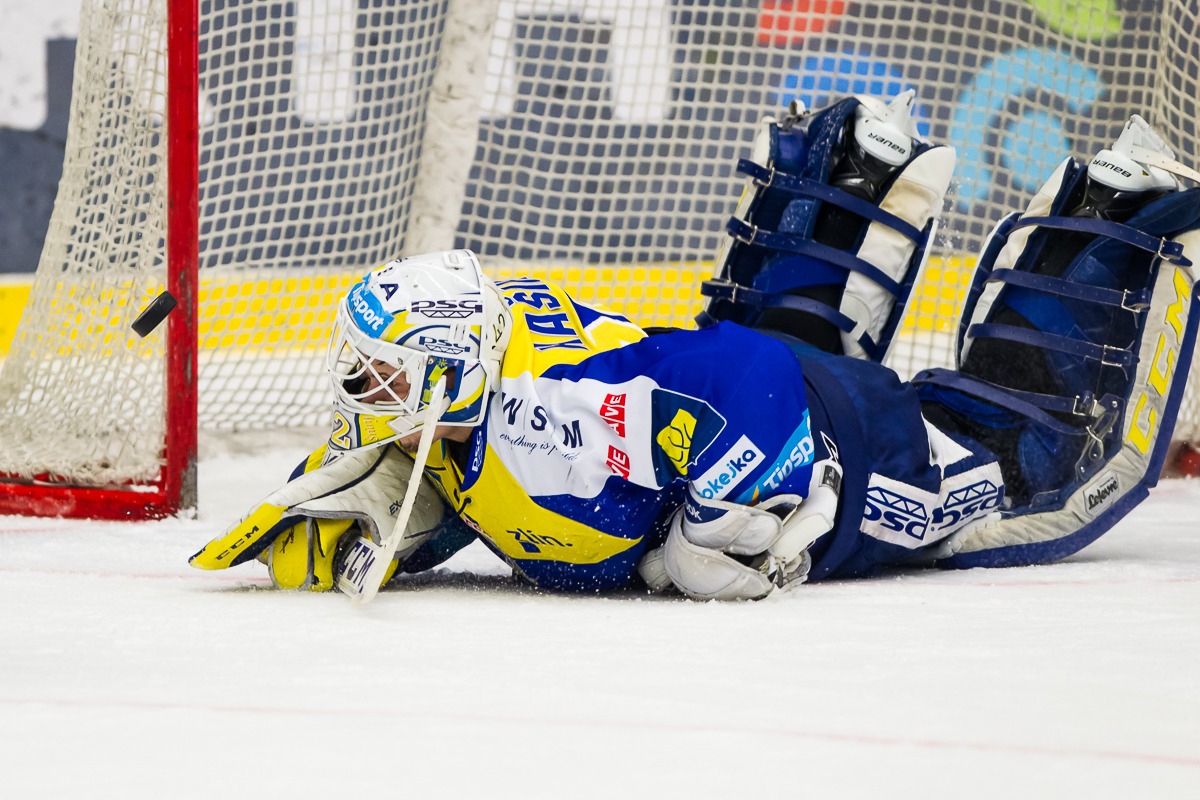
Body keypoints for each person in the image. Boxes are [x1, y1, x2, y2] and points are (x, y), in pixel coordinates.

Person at [190, 92, 1200, 600]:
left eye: (382, 374)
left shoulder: (546, 420)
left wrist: (717, 529)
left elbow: (744, 382)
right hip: (724, 380)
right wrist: (348, 531)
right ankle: (851, 177)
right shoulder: (473, 400)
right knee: (746, 355)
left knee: (1022, 471)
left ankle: (1119, 220)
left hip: (833, 443)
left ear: (450, 369)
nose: (363, 391)